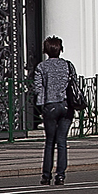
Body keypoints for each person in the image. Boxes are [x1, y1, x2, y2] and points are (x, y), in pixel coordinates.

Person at [33, 36, 76, 185]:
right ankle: (61, 176)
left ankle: (46, 175)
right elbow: (74, 84)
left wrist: (41, 106)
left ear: (46, 50)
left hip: (50, 106)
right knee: (62, 142)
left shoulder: (41, 67)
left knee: (50, 142)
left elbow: (38, 88)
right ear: (60, 49)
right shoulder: (68, 65)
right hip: (65, 106)